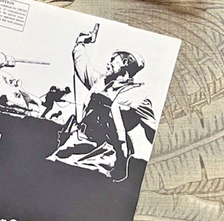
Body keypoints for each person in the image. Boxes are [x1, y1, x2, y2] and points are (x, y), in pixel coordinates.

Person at [54, 30, 155, 182]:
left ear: (125, 63)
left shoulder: (138, 97)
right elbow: (82, 65)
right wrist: (80, 43)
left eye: (113, 60)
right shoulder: (100, 82)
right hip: (76, 143)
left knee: (87, 185)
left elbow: (153, 131)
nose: (108, 63)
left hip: (103, 156)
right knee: (51, 172)